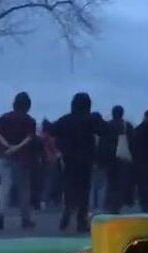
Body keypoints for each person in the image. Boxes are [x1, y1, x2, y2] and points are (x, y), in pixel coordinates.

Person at [52, 92, 103, 232]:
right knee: (84, 190)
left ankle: (68, 208)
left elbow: (52, 129)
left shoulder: (66, 119)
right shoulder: (91, 119)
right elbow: (104, 130)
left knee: (69, 186)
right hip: (86, 159)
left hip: (69, 159)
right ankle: (81, 220)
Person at [0, 91, 36, 230]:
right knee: (24, 190)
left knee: (4, 188)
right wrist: (16, 147)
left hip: (5, 157)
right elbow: (29, 138)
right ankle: (25, 219)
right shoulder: (29, 120)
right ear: (27, 106)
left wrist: (7, 145)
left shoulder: (5, 118)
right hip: (22, 159)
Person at [102, 105, 134, 214]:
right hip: (123, 158)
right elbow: (133, 142)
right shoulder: (127, 126)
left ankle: (110, 203)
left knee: (111, 181)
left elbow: (103, 144)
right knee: (121, 182)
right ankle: (118, 204)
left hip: (110, 158)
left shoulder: (107, 125)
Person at [131, 109, 148, 212]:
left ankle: (145, 205)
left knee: (142, 185)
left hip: (140, 162)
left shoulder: (138, 130)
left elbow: (133, 146)